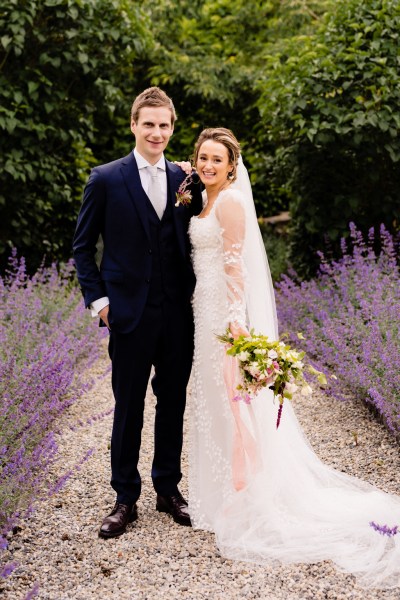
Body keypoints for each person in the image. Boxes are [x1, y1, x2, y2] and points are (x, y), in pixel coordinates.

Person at [187, 127, 400, 589]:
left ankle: (243, 498)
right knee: (212, 405)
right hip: (201, 312)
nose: (207, 165)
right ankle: (216, 496)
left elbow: (236, 267)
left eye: (216, 160)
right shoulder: (203, 197)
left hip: (222, 319)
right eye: (202, 157)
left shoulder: (230, 203)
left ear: (231, 166)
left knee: (235, 405)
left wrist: (237, 327)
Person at [73, 87, 202, 538]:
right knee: (129, 406)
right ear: (133, 125)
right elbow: (82, 248)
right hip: (127, 313)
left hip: (176, 314)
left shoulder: (185, 181)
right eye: (148, 124)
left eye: (164, 125)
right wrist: (101, 303)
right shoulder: (106, 178)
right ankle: (125, 497)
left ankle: (168, 489)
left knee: (173, 402)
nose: (157, 132)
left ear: (172, 127)